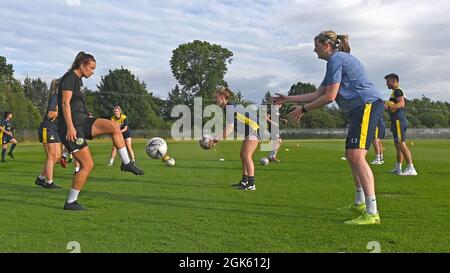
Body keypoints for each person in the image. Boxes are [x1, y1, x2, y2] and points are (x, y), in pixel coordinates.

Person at [272, 31, 385, 225]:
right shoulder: (335, 61)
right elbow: (319, 93)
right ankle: (359, 203)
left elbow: (330, 96)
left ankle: (372, 212)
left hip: (367, 104)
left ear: (327, 45)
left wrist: (304, 109)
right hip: (359, 108)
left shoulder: (336, 59)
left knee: (357, 157)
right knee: (351, 156)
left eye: (316, 45)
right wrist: (288, 99)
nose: (314, 49)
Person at [57, 51, 144, 211]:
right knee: (87, 165)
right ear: (82, 65)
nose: (92, 72)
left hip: (83, 122)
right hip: (72, 128)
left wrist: (87, 113)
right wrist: (69, 126)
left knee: (113, 126)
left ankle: (127, 163)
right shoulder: (69, 78)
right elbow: (65, 104)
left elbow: (77, 104)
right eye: (91, 68)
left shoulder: (78, 80)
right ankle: (70, 202)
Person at [210, 86, 260, 191]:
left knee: (247, 155)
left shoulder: (230, 107)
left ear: (222, 97)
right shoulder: (228, 107)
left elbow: (229, 128)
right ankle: (244, 181)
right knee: (243, 155)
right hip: (250, 130)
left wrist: (215, 140)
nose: (215, 100)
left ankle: (251, 184)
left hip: (254, 130)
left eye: (216, 97)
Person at [385, 73, 418, 176]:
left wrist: (391, 106)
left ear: (394, 81)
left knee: (401, 144)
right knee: (397, 144)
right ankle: (398, 168)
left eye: (388, 81)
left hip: (399, 120)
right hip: (396, 120)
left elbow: (401, 104)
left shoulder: (398, 91)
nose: (387, 83)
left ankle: (411, 168)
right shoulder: (394, 92)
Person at [35, 79, 62, 189]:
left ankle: (41, 178)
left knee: (58, 156)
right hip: (47, 128)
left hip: (54, 128)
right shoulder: (55, 97)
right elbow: (50, 114)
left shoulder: (61, 98)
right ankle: (49, 182)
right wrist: (64, 111)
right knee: (51, 156)